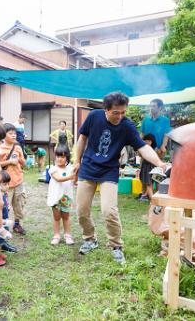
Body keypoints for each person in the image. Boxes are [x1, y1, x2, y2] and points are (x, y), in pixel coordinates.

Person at [72, 92, 168, 264]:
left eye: (123, 112)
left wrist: (160, 163)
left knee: (109, 210)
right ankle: (90, 239)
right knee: (81, 210)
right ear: (106, 110)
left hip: (109, 170)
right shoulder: (94, 117)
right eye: (116, 112)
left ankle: (116, 245)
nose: (120, 116)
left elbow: (143, 148)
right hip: (88, 168)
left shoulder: (127, 125)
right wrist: (76, 161)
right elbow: (82, 138)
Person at [0, 123, 27, 235]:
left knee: (19, 204)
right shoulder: (0, 148)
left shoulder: (18, 147)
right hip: (6, 184)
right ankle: (4, 226)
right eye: (10, 133)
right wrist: (9, 161)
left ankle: (16, 224)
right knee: (5, 206)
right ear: (3, 135)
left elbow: (23, 163)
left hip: (18, 180)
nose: (14, 135)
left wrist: (19, 159)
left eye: (14, 133)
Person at [47, 146, 75, 245]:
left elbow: (75, 181)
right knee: (56, 217)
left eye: (62, 157)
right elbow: (58, 179)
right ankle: (56, 235)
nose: (59, 159)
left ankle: (68, 235)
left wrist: (75, 176)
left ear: (67, 158)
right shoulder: (53, 169)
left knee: (66, 217)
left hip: (66, 197)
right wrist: (71, 176)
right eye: (58, 156)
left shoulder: (71, 169)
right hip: (55, 198)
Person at [138, 134, 157, 202]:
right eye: (145, 140)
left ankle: (151, 197)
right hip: (144, 166)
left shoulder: (153, 149)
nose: (147, 142)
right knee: (143, 181)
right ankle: (144, 195)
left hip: (150, 167)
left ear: (152, 142)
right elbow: (140, 156)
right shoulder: (143, 148)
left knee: (149, 182)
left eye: (149, 141)